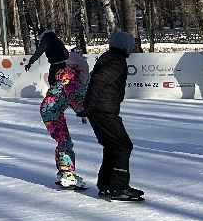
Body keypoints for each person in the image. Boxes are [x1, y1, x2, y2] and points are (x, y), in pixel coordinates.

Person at [81, 29, 144, 201]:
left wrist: (88, 107)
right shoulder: (117, 61)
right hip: (103, 110)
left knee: (112, 145)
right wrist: (90, 107)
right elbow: (98, 80)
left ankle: (106, 184)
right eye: (131, 45)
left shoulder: (109, 56)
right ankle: (119, 187)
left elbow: (95, 80)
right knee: (123, 145)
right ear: (124, 45)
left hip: (101, 109)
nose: (132, 48)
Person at [40, 51, 89, 190]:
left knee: (64, 140)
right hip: (52, 110)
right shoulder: (70, 77)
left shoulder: (68, 74)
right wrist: (81, 110)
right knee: (64, 140)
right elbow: (72, 96)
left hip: (53, 110)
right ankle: (66, 173)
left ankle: (64, 172)